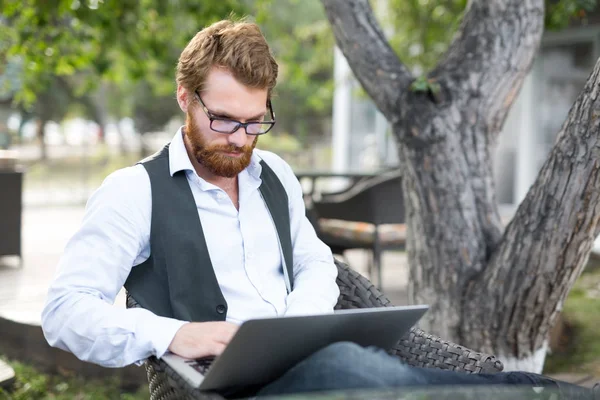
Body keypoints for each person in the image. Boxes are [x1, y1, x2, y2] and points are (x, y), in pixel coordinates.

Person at [41, 19, 597, 400]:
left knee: (367, 367)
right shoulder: (132, 192)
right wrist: (171, 335)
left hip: (308, 358)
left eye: (255, 121)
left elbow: (315, 264)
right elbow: (64, 312)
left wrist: (294, 327)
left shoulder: (275, 175)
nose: (240, 138)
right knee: (353, 370)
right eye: (224, 120)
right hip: (235, 387)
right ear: (184, 98)